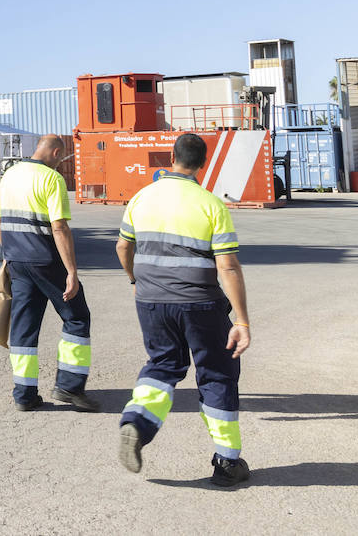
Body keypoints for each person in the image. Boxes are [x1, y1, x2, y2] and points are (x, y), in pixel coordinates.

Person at [115, 133, 252, 487]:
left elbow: (122, 247)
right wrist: (242, 320)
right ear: (202, 164)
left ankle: (137, 423)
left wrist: (135, 280)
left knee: (162, 365)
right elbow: (228, 267)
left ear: (171, 158)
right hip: (201, 304)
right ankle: (227, 463)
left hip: (151, 301)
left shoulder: (142, 197)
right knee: (217, 374)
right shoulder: (210, 204)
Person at [0, 134, 99, 412]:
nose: (60, 163)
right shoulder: (52, 179)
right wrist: (72, 271)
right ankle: (69, 386)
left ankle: (24, 395)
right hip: (46, 261)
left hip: (18, 261)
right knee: (76, 317)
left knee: (24, 327)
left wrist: (9, 253)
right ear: (54, 152)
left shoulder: (10, 174)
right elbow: (59, 227)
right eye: (60, 158)